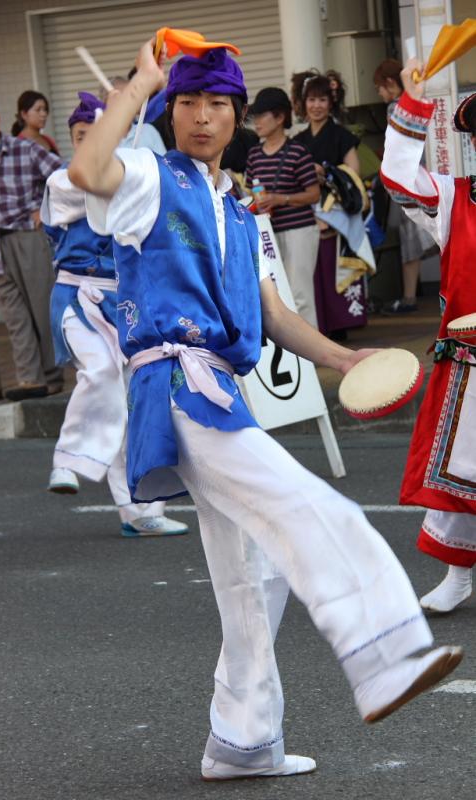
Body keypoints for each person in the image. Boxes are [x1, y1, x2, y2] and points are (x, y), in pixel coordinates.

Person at [69, 39, 462, 781]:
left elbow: (274, 312)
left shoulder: (239, 212)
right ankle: (387, 658)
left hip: (217, 386)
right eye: (186, 102)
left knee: (254, 571)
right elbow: (89, 169)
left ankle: (242, 740)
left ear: (239, 116)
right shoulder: (150, 176)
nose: (202, 116)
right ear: (169, 109)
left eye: (218, 104)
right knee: (313, 509)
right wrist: (135, 87)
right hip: (180, 389)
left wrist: (345, 359)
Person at [41, 92, 187, 538]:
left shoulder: (132, 177)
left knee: (134, 401)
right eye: (84, 137)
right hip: (77, 297)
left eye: (99, 135)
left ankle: (140, 509)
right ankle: (69, 461)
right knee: (101, 373)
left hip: (122, 303)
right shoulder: (61, 181)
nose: (92, 143)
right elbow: (88, 183)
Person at [381, 59, 476, 612]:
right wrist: (413, 105)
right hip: (469, 367)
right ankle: (458, 576)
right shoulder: (452, 198)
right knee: (461, 477)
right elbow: (396, 178)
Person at [0, 97, 64, 401]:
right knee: (15, 317)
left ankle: (53, 376)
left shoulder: (25, 148)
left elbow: (61, 176)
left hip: (27, 238)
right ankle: (30, 379)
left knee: (41, 309)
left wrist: (44, 210)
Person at [293, 73, 366, 339]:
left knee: (332, 267)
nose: (316, 105)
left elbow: (354, 173)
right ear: (304, 103)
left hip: (336, 213)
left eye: (322, 99)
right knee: (312, 272)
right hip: (307, 213)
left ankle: (339, 326)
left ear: (330, 102)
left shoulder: (341, 136)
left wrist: (326, 172)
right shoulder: (298, 140)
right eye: (311, 99)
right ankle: (318, 325)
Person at [245, 87, 320, 326]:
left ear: (279, 118)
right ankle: (293, 355)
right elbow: (250, 190)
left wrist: (281, 199)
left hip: (299, 231)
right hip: (268, 232)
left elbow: (314, 194)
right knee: (276, 295)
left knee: (300, 293)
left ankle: (310, 358)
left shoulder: (298, 151)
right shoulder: (254, 154)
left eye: (261, 115)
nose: (256, 122)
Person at [374, 59, 436, 314]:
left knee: (409, 240)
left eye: (379, 86)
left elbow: (396, 148)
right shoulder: (420, 103)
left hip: (407, 182)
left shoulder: (395, 107)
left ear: (390, 83)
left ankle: (409, 297)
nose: (379, 92)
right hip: (426, 177)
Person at [11, 90, 60, 154]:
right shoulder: (18, 145)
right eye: (38, 110)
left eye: (45, 109)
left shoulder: (48, 140)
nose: (44, 114)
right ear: (24, 114)